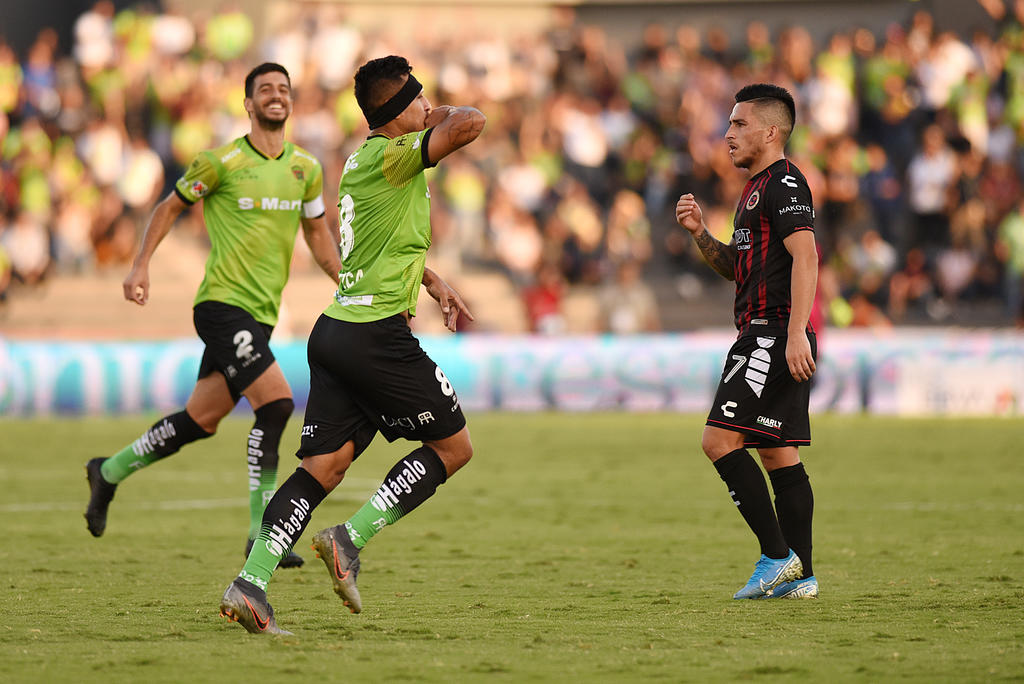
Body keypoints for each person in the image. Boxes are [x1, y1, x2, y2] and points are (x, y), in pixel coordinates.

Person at [219, 55, 485, 634]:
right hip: (376, 336)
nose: (426, 104)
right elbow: (472, 122)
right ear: (398, 110)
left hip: (338, 331)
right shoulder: (393, 155)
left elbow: (377, 248)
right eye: (418, 96)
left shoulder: (365, 162)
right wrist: (438, 114)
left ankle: (250, 583)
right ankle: (349, 537)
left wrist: (432, 281)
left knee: (323, 468)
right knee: (454, 448)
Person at [84, 63, 342, 570]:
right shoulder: (219, 162)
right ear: (248, 104)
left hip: (261, 315)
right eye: (265, 89)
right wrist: (140, 264)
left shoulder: (306, 168)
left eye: (283, 89)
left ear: (291, 102)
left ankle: (107, 471)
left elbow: (316, 234)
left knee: (199, 421)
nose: (276, 95)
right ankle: (261, 534)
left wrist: (346, 283)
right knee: (276, 404)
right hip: (222, 306)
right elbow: (168, 208)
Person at [675, 83, 818, 600]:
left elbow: (807, 256)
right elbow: (738, 267)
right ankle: (801, 577)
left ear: (771, 131)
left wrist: (795, 333)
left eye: (739, 124)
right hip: (769, 331)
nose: (728, 134)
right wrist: (700, 233)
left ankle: (777, 557)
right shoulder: (755, 190)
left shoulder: (785, 183)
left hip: (771, 333)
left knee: (718, 442)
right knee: (778, 454)